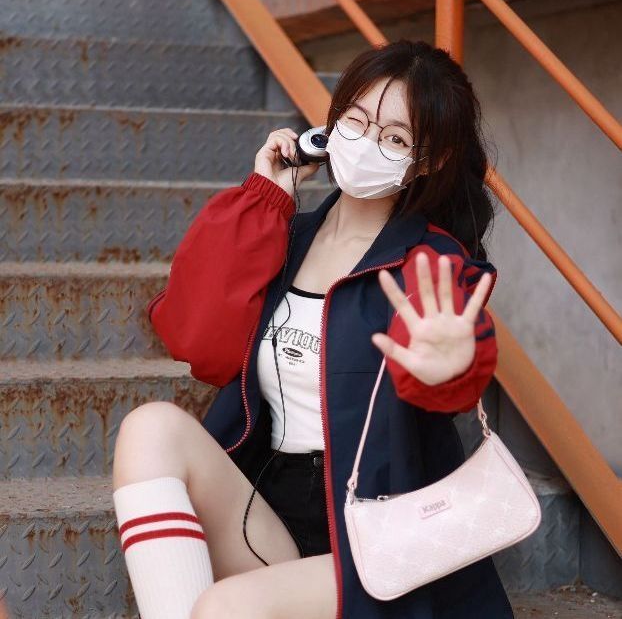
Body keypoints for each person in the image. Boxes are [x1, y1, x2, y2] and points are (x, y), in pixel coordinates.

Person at [112, 38, 515, 618]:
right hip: (271, 516)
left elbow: (449, 372)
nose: (367, 143)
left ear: (427, 161)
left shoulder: (431, 264)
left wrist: (450, 366)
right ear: (330, 124)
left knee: (225, 607)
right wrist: (263, 201)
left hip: (379, 543)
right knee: (149, 427)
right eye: (356, 120)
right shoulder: (288, 236)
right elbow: (197, 341)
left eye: (395, 138)